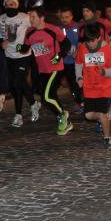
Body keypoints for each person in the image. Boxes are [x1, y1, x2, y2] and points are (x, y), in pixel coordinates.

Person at [18, 7, 73, 135]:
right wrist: (14, 44)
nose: (30, 19)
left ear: (41, 18)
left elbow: (66, 44)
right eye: (29, 17)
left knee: (47, 97)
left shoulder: (52, 29)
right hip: (42, 70)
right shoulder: (29, 32)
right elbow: (25, 48)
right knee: (49, 97)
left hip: (55, 68)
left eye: (33, 17)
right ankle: (62, 113)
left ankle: (65, 120)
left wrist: (58, 57)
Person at [0, 0, 40, 127]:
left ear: (17, 5)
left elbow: (35, 29)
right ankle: (33, 103)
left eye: (12, 3)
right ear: (5, 6)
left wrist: (28, 44)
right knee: (20, 83)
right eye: (7, 3)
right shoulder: (0, 19)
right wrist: (0, 42)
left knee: (16, 84)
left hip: (24, 55)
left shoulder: (25, 17)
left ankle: (18, 116)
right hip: (9, 56)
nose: (10, 5)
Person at [75, 22, 111, 148]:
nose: (91, 44)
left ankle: (107, 138)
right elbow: (78, 63)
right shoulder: (82, 48)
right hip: (89, 88)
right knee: (88, 115)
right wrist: (79, 77)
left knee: (101, 113)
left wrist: (105, 72)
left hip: (105, 88)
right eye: (88, 41)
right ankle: (105, 115)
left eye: (93, 41)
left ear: (99, 37)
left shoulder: (106, 49)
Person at [58, 6, 83, 113]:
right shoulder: (58, 29)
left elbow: (83, 42)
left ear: (71, 16)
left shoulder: (78, 27)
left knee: (75, 83)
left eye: (67, 17)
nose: (64, 19)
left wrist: (77, 50)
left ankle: (80, 103)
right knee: (67, 82)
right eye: (62, 17)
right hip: (63, 62)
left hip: (76, 62)